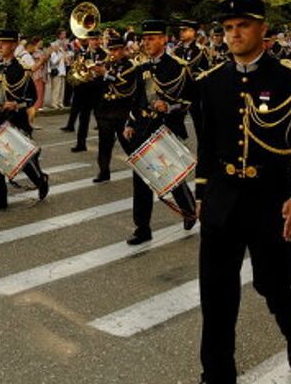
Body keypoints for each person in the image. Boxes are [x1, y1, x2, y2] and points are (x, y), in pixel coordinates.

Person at [185, 0, 291, 384]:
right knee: (215, 290)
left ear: (263, 29)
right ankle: (218, 376)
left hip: (270, 197)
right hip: (223, 198)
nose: (233, 34)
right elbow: (207, 145)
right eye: (227, 28)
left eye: (242, 25)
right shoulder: (211, 83)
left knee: (272, 281)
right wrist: (201, 193)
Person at [122, 20, 197, 245]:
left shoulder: (177, 66)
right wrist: (129, 123)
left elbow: (188, 99)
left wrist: (169, 106)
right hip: (144, 129)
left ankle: (189, 209)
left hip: (165, 129)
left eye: (152, 38)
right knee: (142, 177)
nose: (147, 42)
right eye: (144, 39)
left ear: (163, 39)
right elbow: (137, 99)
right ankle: (142, 228)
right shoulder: (142, 68)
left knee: (170, 177)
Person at [0, 29, 49, 210]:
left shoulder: (22, 71)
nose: (0, 46)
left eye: (5, 43)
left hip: (15, 119)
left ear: (14, 45)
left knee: (20, 159)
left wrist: (17, 104)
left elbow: (32, 98)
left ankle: (40, 180)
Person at [92, 37, 136, 182]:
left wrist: (105, 73)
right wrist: (93, 73)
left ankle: (143, 169)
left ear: (123, 49)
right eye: (111, 50)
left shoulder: (130, 65)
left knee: (127, 144)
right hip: (105, 109)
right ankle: (104, 172)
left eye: (117, 50)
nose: (113, 53)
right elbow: (101, 85)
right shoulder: (108, 63)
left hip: (121, 110)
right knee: (104, 143)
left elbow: (124, 86)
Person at [65, 29, 105, 151]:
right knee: (83, 118)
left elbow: (106, 71)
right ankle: (81, 144)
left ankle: (105, 142)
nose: (95, 42)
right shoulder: (82, 54)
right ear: (88, 40)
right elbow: (76, 69)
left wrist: (95, 69)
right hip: (84, 90)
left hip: (98, 89)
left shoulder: (105, 54)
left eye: (97, 39)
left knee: (100, 118)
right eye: (93, 39)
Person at [48, 42, 67, 109]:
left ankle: (60, 102)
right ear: (54, 47)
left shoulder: (60, 53)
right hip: (56, 73)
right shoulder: (52, 54)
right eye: (57, 46)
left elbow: (66, 61)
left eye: (59, 46)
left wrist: (63, 53)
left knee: (61, 89)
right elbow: (55, 62)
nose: (58, 47)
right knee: (56, 89)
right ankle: (54, 103)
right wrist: (60, 56)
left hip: (62, 72)